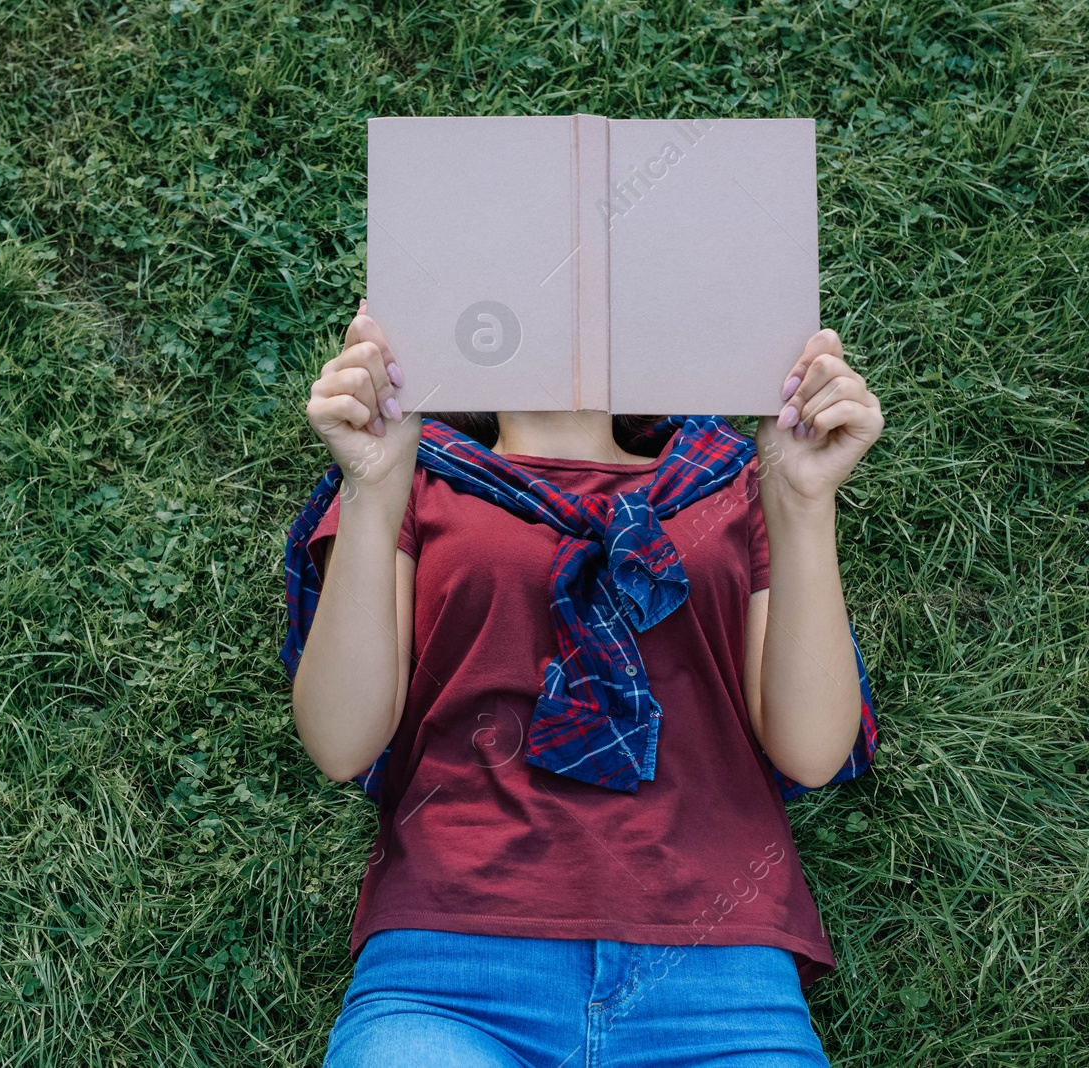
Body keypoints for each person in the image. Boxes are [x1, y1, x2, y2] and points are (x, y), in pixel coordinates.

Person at [283, 297, 884, 1067]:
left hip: (720, 979)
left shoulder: (739, 483)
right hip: (450, 969)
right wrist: (371, 487)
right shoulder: (412, 477)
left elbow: (812, 750)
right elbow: (340, 741)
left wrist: (803, 502)